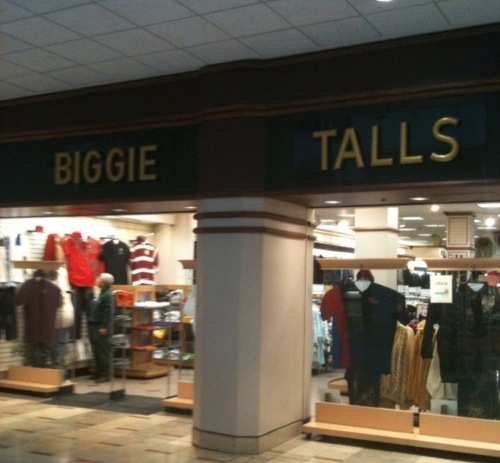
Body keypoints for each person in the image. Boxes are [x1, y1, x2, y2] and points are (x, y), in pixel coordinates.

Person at [88, 273, 114, 382]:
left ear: (103, 283)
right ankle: (99, 372)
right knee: (97, 350)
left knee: (102, 351)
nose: (97, 281)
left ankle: (104, 374)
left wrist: (104, 327)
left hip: (101, 326)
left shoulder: (108, 295)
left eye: (100, 280)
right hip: (96, 324)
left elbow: (108, 313)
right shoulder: (103, 294)